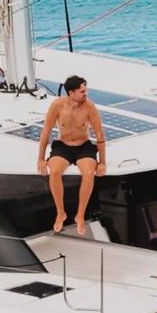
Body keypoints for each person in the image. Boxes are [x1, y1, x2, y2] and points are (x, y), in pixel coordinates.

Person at [36, 75, 106, 235]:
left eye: (86, 90)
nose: (85, 94)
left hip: (84, 147)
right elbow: (45, 131)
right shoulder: (57, 105)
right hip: (63, 146)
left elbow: (100, 134)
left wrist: (102, 162)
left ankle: (80, 215)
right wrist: (40, 159)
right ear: (71, 92)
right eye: (82, 91)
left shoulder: (89, 107)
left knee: (88, 173)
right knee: (54, 172)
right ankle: (61, 213)